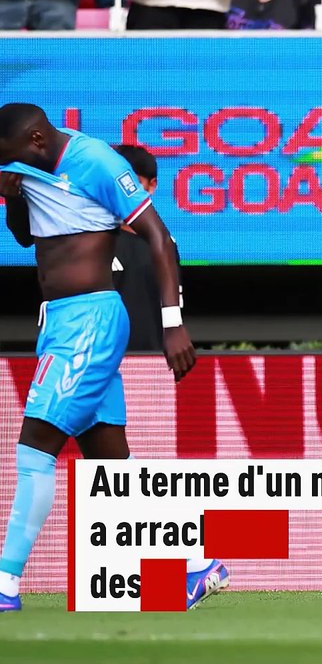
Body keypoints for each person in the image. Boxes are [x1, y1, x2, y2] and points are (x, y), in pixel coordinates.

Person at [0, 104, 212, 613]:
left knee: (34, 450)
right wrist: (10, 202)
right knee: (110, 465)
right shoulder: (29, 164)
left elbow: (159, 237)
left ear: (34, 138)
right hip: (60, 321)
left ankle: (5, 583)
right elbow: (29, 237)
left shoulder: (95, 160)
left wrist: (172, 323)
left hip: (89, 322)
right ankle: (195, 564)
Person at [110, 144, 183, 353]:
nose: (122, 193)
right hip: (104, 358)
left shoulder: (166, 244)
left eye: (132, 183)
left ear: (152, 186)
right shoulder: (94, 239)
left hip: (153, 359)